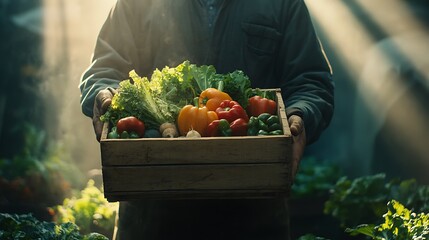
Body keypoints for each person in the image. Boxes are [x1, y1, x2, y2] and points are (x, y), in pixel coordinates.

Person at [79, 0, 334, 239]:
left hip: (253, 212)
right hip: (151, 212)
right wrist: (103, 94)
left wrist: (300, 114)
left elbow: (310, 81)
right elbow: (104, 69)